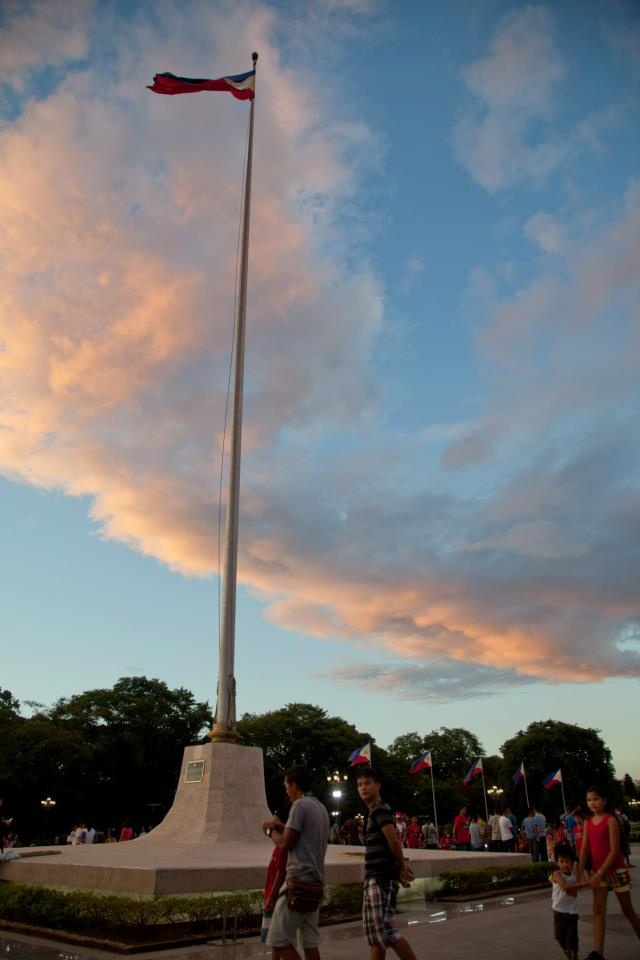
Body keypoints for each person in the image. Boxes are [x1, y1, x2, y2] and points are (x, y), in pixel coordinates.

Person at [263, 764, 329, 960]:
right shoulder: (320, 808)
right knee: (310, 943)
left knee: (277, 939)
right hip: (316, 883)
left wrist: (269, 831)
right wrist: (283, 826)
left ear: (294, 784)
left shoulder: (299, 806)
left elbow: (284, 843)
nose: (286, 791)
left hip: (298, 882)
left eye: (286, 786)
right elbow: (303, 836)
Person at [356, 766, 417, 960]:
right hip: (374, 876)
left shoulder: (380, 809)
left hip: (381, 878)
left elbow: (392, 840)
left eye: (367, 783)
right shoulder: (373, 811)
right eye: (359, 785)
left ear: (377, 786)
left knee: (387, 931)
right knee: (376, 935)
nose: (363, 788)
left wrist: (401, 866)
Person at [578, 784, 640, 960]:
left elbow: (614, 851)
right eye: (589, 800)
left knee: (627, 911)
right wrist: (580, 872)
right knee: (598, 912)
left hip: (616, 870)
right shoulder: (588, 822)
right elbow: (584, 850)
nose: (593, 803)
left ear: (604, 801)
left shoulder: (610, 820)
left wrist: (598, 873)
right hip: (599, 872)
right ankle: (598, 954)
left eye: (596, 799)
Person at [550, 842, 584, 960]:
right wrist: (581, 883)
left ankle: (574, 956)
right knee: (559, 935)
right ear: (557, 863)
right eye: (562, 861)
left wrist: (582, 882)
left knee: (572, 937)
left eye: (567, 861)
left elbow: (579, 886)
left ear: (572, 862)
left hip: (572, 911)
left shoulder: (574, 875)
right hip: (559, 911)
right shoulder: (556, 874)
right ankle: (567, 951)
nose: (565, 864)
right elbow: (564, 886)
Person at [261, 806, 289, 944]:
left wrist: (271, 898)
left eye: (275, 824)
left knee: (277, 941)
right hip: (271, 895)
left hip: (276, 898)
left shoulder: (282, 847)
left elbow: (281, 872)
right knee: (274, 942)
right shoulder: (278, 846)